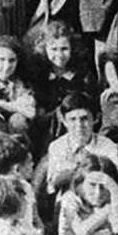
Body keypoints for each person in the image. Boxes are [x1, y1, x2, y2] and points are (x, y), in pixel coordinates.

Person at [30, 19, 95, 159]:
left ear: (72, 48)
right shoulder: (40, 78)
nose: (59, 55)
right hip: (45, 136)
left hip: (76, 132)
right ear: (45, 49)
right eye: (53, 49)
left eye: (64, 49)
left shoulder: (82, 77)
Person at [46, 93, 118, 199]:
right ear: (64, 121)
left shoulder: (107, 145)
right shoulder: (57, 146)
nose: (79, 125)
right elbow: (52, 185)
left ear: (95, 119)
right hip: (70, 201)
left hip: (101, 198)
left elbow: (117, 179)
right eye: (73, 119)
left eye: (84, 118)